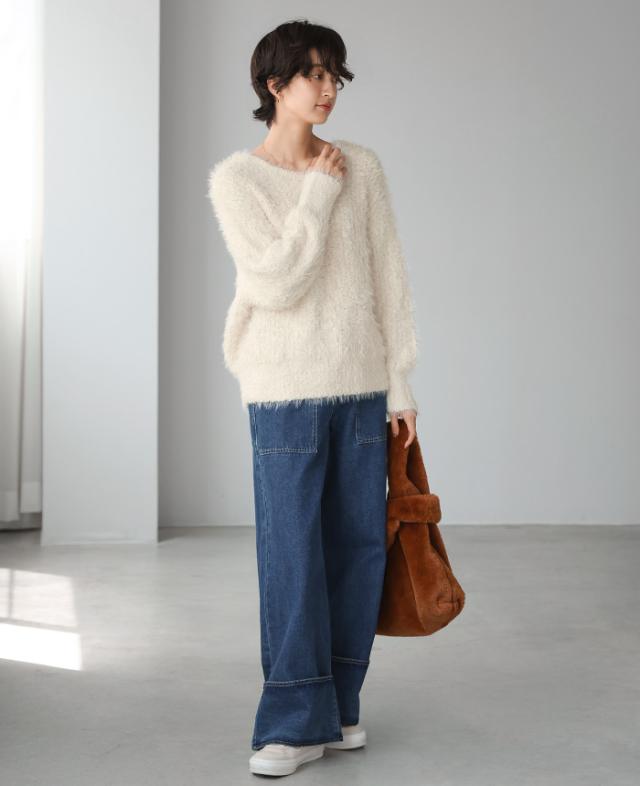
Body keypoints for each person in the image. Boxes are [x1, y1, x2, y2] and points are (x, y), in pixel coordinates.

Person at [207, 18, 419, 777]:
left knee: (357, 550)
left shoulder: (363, 166)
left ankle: (341, 708)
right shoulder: (238, 180)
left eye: (335, 75)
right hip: (284, 390)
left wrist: (400, 383)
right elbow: (275, 282)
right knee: (294, 555)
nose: (329, 89)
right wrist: (317, 196)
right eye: (315, 74)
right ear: (276, 85)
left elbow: (388, 276)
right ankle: (295, 721)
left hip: (361, 386)